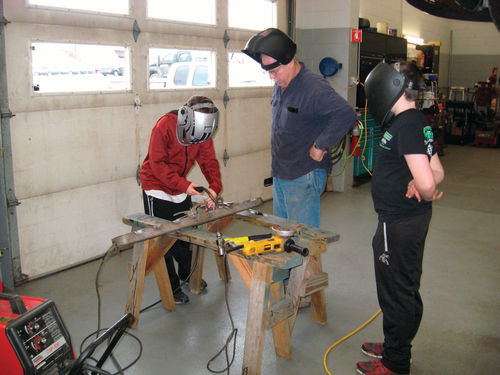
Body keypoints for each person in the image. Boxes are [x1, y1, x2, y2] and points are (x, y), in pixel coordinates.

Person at [357, 61, 445, 375]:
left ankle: (395, 362)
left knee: (396, 293)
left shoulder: (406, 124)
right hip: (405, 221)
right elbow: (437, 170)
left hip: (398, 223)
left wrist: (425, 186)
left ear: (392, 86)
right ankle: (396, 342)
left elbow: (429, 181)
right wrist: (425, 183)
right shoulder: (414, 121)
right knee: (403, 287)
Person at [242, 28, 356, 228]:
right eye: (267, 71)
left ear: (289, 61)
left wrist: (321, 145)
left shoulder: (313, 87)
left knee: (301, 240)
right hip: (282, 171)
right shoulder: (281, 84)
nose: (271, 77)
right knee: (283, 236)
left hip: (303, 174)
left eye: (274, 71)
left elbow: (345, 114)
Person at [140, 95, 222, 305]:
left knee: (185, 238)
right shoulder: (164, 126)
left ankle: (187, 275)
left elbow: (208, 161)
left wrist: (214, 188)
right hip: (156, 187)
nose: (197, 141)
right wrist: (184, 186)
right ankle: (172, 287)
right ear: (186, 120)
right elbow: (157, 164)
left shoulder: (202, 131)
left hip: (179, 185)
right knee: (164, 240)